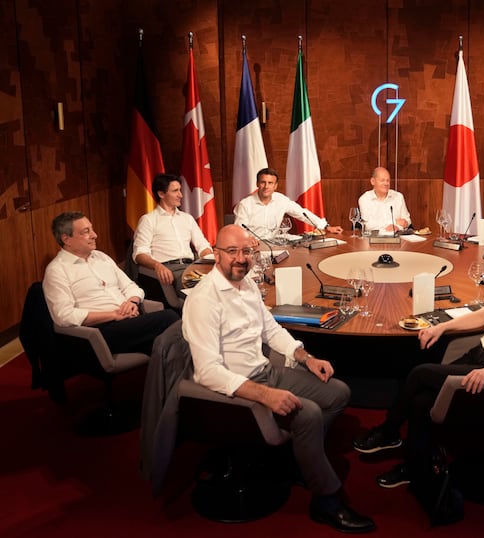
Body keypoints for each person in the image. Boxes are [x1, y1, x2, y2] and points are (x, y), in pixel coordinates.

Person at [181, 224, 374, 533]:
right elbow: (207, 372)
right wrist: (264, 395)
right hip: (236, 391)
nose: (241, 258)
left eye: (247, 251)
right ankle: (326, 501)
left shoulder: (247, 285)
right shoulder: (204, 299)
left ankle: (298, 458)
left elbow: (271, 330)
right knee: (309, 413)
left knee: (337, 393)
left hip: (265, 372)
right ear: (216, 254)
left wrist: (306, 358)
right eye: (232, 251)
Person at [353, 229, 484, 487]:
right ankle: (416, 466)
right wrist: (441, 328)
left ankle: (388, 431)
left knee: (419, 374)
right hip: (479, 355)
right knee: (421, 401)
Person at [42, 211, 179, 355]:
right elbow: (64, 316)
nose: (94, 235)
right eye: (86, 232)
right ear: (66, 239)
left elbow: (130, 286)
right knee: (169, 317)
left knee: (168, 348)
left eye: (92, 229)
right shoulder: (57, 270)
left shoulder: (101, 257)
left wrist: (132, 302)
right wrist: (113, 315)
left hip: (130, 321)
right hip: (100, 330)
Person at [132, 173, 213, 291]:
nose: (180, 195)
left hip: (192, 267)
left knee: (224, 280)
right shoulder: (148, 220)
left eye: (180, 190)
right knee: (204, 287)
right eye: (175, 191)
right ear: (161, 194)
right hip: (169, 270)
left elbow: (202, 245)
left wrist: (210, 262)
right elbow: (140, 254)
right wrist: (157, 266)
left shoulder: (187, 218)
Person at [234, 167, 343, 240]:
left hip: (276, 247)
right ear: (257, 184)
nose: (266, 186)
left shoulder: (281, 200)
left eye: (270, 183)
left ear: (275, 186)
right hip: (253, 249)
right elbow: (238, 232)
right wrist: (249, 241)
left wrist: (326, 226)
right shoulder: (245, 205)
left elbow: (302, 213)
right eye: (263, 182)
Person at [358, 166, 411, 233]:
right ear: (373, 181)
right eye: (382, 180)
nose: (386, 183)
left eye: (388, 180)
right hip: (372, 239)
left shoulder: (398, 197)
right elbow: (368, 225)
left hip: (397, 237)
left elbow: (407, 221)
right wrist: (394, 222)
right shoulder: (365, 199)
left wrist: (397, 227)